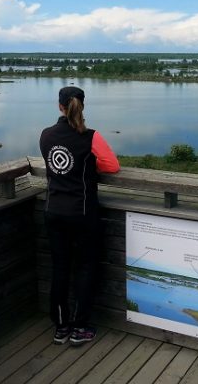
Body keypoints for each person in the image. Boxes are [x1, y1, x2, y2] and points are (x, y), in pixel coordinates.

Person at [39, 86, 120, 346]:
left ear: (59, 106)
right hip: (83, 213)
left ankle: (61, 327)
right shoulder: (91, 137)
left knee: (60, 268)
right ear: (82, 106)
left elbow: (54, 165)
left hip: (53, 211)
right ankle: (80, 328)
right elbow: (112, 166)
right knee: (85, 268)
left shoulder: (46, 135)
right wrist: (89, 166)